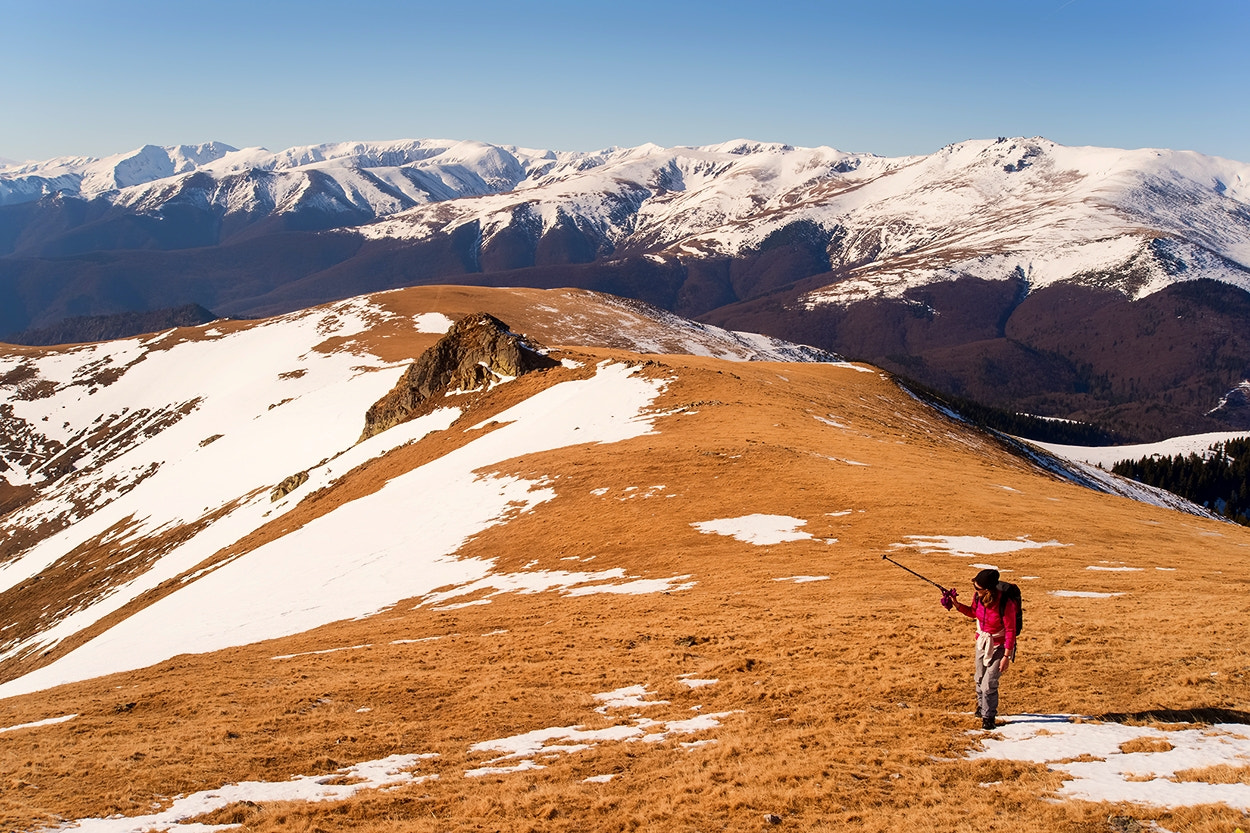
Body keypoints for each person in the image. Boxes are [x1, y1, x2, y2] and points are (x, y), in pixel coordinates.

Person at [941, 568, 1018, 730]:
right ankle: (981, 707)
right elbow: (974, 613)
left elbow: (1011, 630)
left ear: (988, 589)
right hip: (982, 643)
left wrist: (1006, 656)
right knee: (979, 677)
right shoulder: (978, 597)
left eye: (977, 588)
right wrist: (957, 605)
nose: (975, 590)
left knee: (989, 683)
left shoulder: (1005, 603)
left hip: (1000, 646)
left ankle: (988, 717)